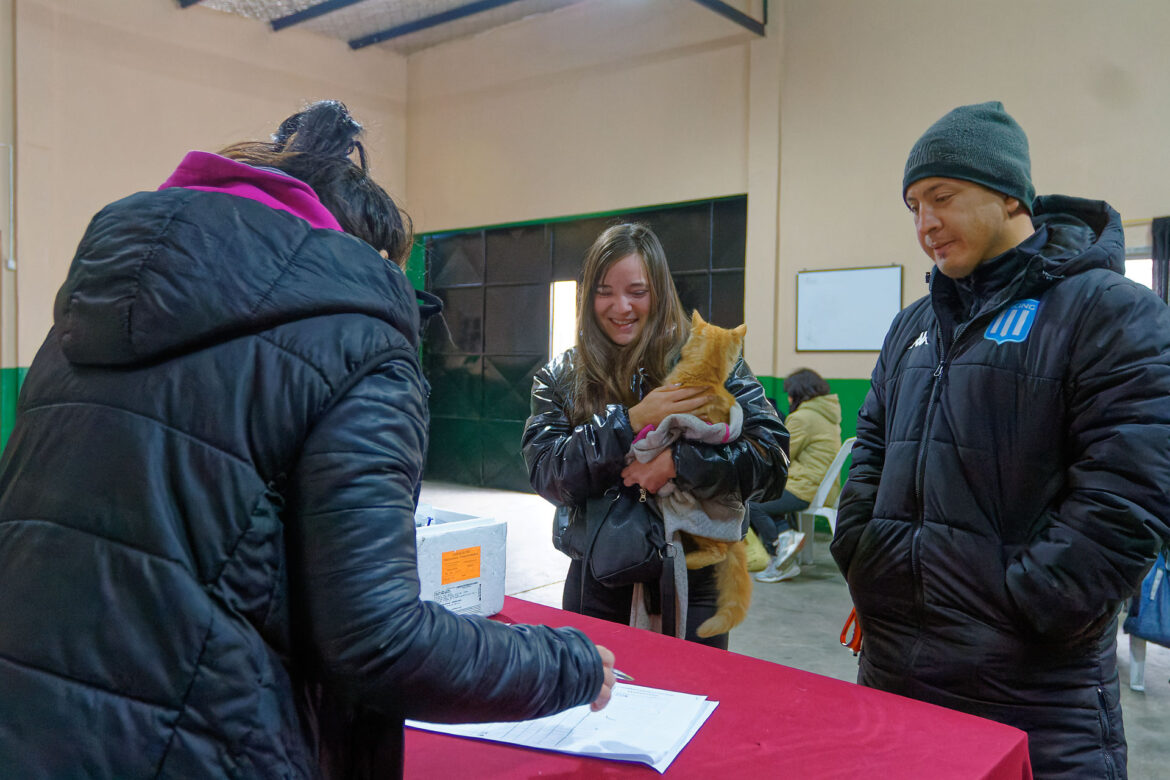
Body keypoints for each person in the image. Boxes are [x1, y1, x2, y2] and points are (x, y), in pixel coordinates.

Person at [0, 101, 614, 778]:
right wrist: (566, 664)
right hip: (200, 743)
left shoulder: (77, 328)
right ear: (365, 256)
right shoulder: (355, 336)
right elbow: (380, 641)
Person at [831, 101, 1170, 778]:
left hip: (1034, 699)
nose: (925, 224)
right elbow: (869, 446)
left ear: (1010, 194)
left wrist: (1033, 603)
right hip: (894, 679)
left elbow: (1133, 493)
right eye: (913, 206)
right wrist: (863, 551)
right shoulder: (912, 327)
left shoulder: (1110, 311)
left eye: (942, 199)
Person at [522, 223, 788, 649]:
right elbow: (547, 471)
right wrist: (627, 423)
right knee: (594, 705)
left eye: (637, 291)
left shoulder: (709, 357)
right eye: (604, 290)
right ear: (587, 295)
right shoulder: (563, 374)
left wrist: (679, 464)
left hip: (694, 580)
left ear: (660, 292)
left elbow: (771, 459)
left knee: (693, 698)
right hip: (596, 578)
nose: (620, 306)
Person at [751, 368, 842, 583]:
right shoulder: (827, 415)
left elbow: (781, 456)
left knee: (751, 502)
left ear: (798, 393)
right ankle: (786, 538)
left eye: (790, 393)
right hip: (822, 488)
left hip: (804, 488)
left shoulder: (802, 418)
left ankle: (779, 554)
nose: (789, 398)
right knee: (768, 496)